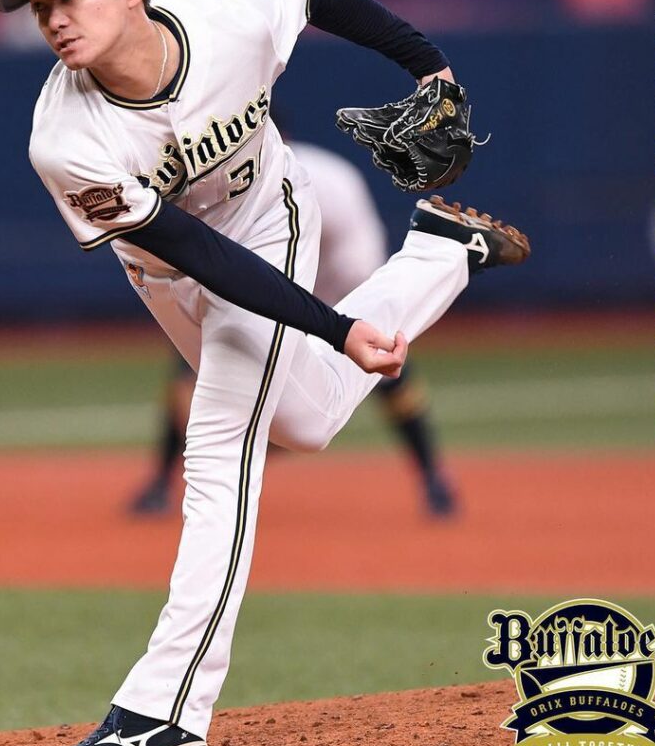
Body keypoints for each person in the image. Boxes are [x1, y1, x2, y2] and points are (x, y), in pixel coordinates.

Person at [0, 0, 530, 746]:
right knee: (306, 423)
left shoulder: (228, 24)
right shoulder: (65, 139)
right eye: (38, 5)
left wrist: (429, 64)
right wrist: (338, 328)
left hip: (270, 220)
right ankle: (440, 253)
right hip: (170, 273)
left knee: (220, 448)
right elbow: (194, 254)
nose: (54, 17)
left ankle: (164, 708)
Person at [130, 136, 458, 519]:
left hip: (332, 286)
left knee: (382, 365)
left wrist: (332, 326)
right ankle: (162, 481)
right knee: (197, 366)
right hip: (257, 288)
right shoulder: (218, 182)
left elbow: (360, 271)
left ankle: (432, 477)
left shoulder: (329, 182)